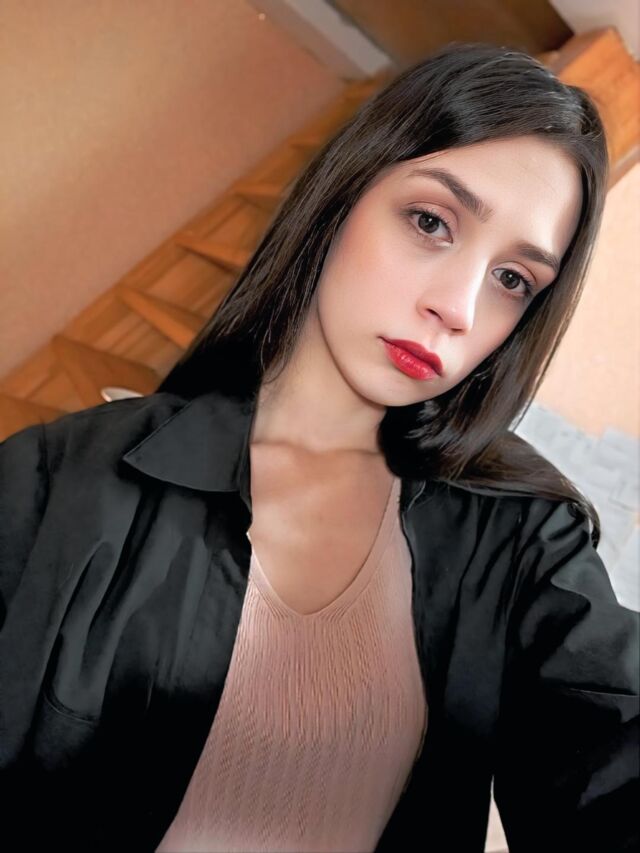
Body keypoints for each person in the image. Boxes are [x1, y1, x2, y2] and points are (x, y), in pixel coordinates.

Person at [0, 41, 638, 853]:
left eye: (512, 280)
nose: (458, 308)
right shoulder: (56, 479)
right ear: (345, 191)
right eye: (432, 222)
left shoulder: (521, 533)